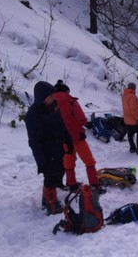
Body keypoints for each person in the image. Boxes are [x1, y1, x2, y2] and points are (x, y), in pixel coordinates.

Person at [24, 81, 72, 215]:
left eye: (53, 95)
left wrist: (68, 140)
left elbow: (61, 125)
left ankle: (51, 195)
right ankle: (50, 203)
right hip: (46, 152)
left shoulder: (54, 107)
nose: (53, 98)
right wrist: (40, 161)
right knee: (50, 177)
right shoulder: (33, 115)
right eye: (50, 96)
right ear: (41, 97)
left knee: (59, 171)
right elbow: (34, 141)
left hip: (57, 148)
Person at [53, 80, 104, 194]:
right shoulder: (71, 101)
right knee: (89, 161)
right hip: (77, 136)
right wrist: (87, 123)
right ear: (66, 91)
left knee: (69, 161)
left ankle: (71, 184)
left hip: (62, 138)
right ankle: (95, 185)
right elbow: (80, 118)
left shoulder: (51, 103)